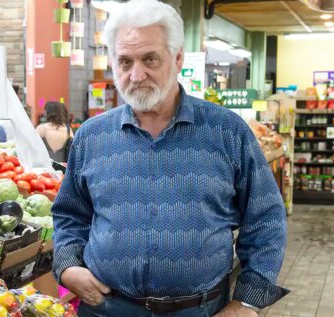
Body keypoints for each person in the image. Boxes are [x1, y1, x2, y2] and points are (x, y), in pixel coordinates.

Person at [51, 1, 289, 316]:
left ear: (177, 58)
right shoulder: (92, 137)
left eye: (150, 59)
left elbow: (266, 219)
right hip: (107, 307)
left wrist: (247, 302)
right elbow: (70, 215)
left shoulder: (227, 132)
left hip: (200, 310)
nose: (136, 75)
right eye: (125, 62)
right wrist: (68, 265)